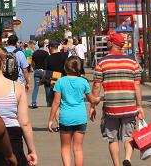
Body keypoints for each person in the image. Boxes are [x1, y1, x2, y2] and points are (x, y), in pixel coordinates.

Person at [0, 46, 38, 166]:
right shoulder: (17, 87)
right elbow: (24, 122)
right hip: (13, 137)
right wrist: (31, 150)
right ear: (2, 63)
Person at [91, 32, 143, 166]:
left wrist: (93, 105)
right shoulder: (132, 62)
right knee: (129, 136)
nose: (107, 43)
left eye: (108, 41)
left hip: (111, 107)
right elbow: (137, 85)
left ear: (112, 44)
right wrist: (139, 106)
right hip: (129, 106)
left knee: (112, 138)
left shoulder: (102, 62)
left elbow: (97, 85)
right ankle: (127, 159)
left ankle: (117, 164)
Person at [47, 57, 99, 166]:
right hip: (80, 117)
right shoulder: (83, 82)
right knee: (78, 148)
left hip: (65, 118)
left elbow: (56, 102)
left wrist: (51, 120)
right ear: (78, 68)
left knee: (65, 147)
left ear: (65, 67)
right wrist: (96, 100)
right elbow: (91, 99)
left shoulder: (60, 81)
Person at [44, 41, 67, 107]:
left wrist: (42, 80)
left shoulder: (48, 58)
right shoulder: (64, 56)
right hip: (63, 80)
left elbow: (46, 72)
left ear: (50, 47)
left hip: (52, 82)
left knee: (53, 103)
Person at [29, 43, 49, 109]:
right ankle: (48, 102)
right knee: (47, 87)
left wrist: (33, 68)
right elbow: (47, 63)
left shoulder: (35, 53)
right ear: (43, 46)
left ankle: (33, 102)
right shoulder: (46, 53)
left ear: (38, 46)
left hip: (37, 71)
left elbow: (32, 63)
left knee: (36, 88)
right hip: (44, 71)